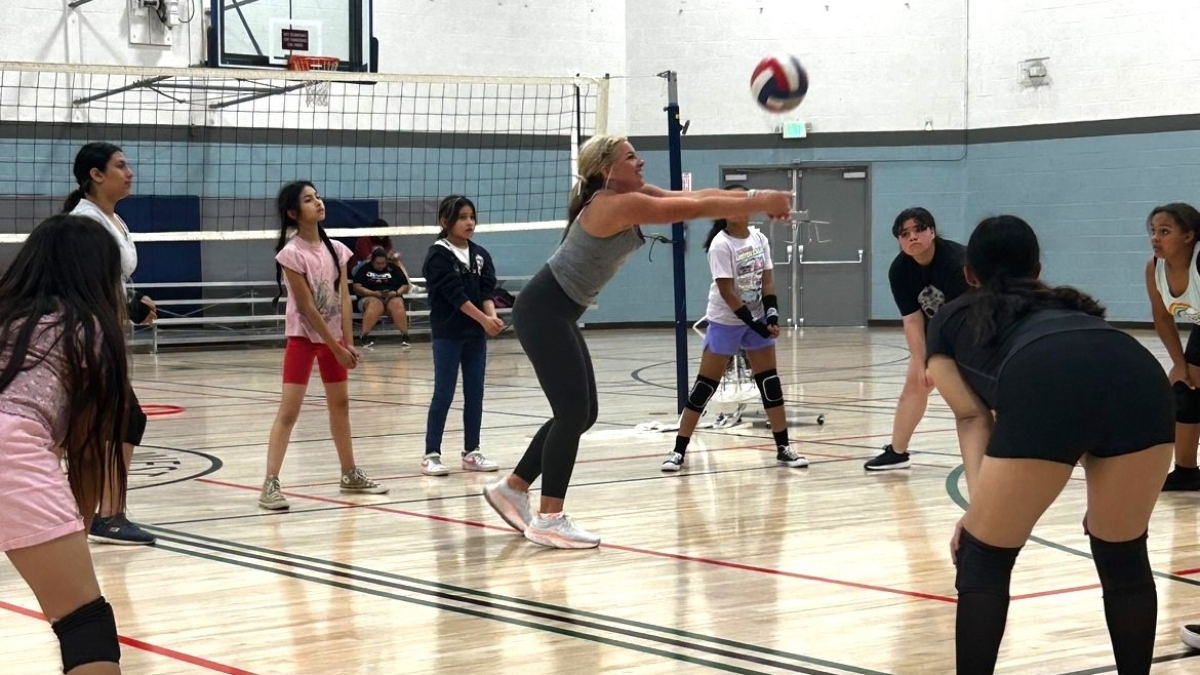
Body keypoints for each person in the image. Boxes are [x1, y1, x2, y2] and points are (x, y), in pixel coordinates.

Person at [481, 134, 792, 549]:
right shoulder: (614, 203)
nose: (641, 162)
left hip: (556, 312)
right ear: (607, 169)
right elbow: (695, 208)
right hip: (544, 311)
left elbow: (696, 195)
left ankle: (513, 488)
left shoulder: (629, 194)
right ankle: (548, 518)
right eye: (632, 157)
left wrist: (757, 196)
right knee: (572, 413)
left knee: (583, 413)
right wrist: (759, 199)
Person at [927, 215, 1172, 675]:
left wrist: (978, 511)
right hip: (1141, 373)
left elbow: (970, 414)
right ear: (1038, 268)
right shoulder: (1073, 305)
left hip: (1047, 379)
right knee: (1122, 553)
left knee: (984, 556)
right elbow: (1087, 396)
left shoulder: (948, 317)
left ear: (968, 275)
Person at [0, 214, 133, 674]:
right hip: (10, 449)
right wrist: (74, 526)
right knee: (84, 622)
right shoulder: (89, 329)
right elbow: (91, 452)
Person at [658, 186, 808, 472]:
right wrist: (755, 324)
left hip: (756, 319)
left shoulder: (759, 239)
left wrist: (772, 317)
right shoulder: (721, 244)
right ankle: (678, 451)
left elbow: (767, 283)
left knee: (770, 385)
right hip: (726, 321)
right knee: (704, 387)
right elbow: (727, 293)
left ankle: (783, 448)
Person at [259, 181, 388, 510]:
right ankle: (270, 484)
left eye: (317, 196)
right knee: (289, 411)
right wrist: (334, 346)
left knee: (340, 406)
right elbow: (306, 309)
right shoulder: (291, 254)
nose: (317, 202)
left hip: (334, 341)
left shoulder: (337, 250)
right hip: (304, 339)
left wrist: (347, 340)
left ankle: (349, 473)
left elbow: (344, 298)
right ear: (293, 213)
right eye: (308, 199)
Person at [63, 142, 157, 546]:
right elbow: (84, 285)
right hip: (87, 337)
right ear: (96, 175)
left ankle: (101, 513)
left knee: (115, 421)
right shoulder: (83, 223)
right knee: (112, 421)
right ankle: (106, 515)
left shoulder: (113, 219)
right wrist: (129, 308)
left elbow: (112, 280)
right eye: (120, 166)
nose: (129, 172)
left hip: (107, 331)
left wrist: (134, 302)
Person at [864, 207, 969, 471]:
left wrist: (942, 359)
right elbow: (912, 319)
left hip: (973, 329)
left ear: (932, 232)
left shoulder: (958, 261)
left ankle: (1000, 453)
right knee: (914, 384)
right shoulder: (899, 270)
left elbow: (965, 316)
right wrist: (921, 361)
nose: (912, 237)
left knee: (977, 397)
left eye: (919, 229)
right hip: (936, 332)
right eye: (904, 233)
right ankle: (897, 452)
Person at [420, 195, 504, 476]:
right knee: (443, 393)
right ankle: (431, 454)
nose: (469, 222)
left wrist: (490, 317)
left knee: (475, 393)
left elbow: (486, 292)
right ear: (446, 222)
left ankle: (472, 451)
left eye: (472, 216)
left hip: (474, 335)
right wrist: (484, 320)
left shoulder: (480, 254)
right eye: (462, 217)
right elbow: (456, 297)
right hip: (448, 333)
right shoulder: (438, 255)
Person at [1144, 202, 1200, 491]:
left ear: (1189, 236)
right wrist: (1179, 365)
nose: (1155, 238)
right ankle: (1186, 472)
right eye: (1153, 231)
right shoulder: (1154, 268)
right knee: (1185, 388)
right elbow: (1163, 318)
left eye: (1164, 231)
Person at [351, 246, 412, 348]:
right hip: (369, 296)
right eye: (378, 263)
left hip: (391, 296)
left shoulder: (393, 268)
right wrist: (373, 293)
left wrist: (396, 293)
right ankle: (364, 336)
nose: (381, 266)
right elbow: (357, 287)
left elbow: (405, 285)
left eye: (383, 263)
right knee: (375, 304)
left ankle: (405, 336)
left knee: (397, 303)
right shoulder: (364, 269)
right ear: (372, 261)